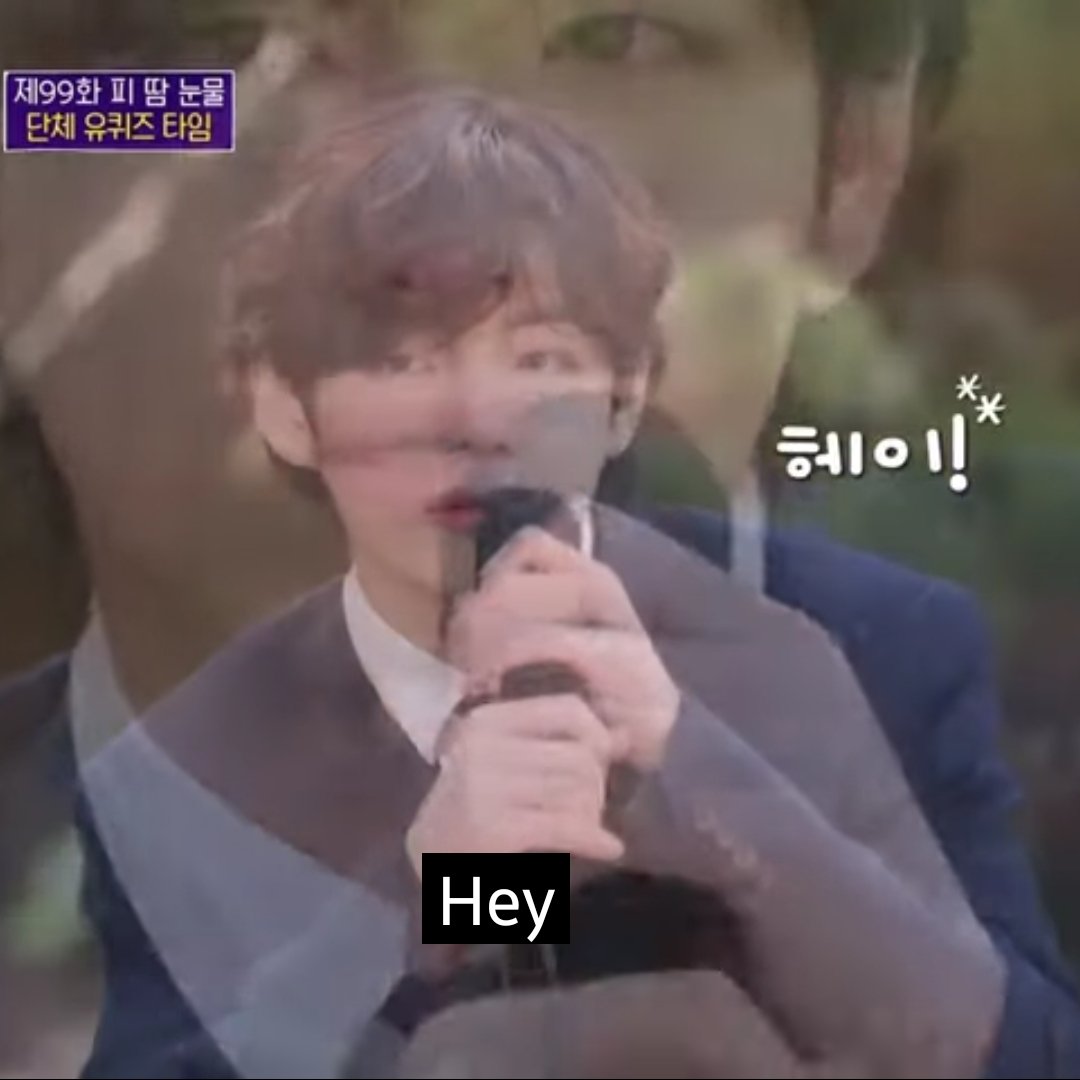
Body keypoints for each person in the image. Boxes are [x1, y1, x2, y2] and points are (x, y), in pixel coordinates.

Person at [72, 87, 1079, 1079]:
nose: (478, 421)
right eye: (400, 361)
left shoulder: (879, 644)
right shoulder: (177, 779)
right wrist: (429, 908)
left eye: (540, 358)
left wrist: (714, 789)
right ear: (288, 409)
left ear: (625, 397)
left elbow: (1034, 1057)